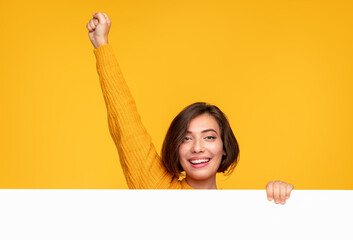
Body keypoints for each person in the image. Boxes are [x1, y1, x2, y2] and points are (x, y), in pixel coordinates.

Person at [86, 12, 294, 204]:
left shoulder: (244, 208)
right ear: (175, 149)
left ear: (224, 148)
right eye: (186, 138)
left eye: (209, 137)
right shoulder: (160, 192)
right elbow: (126, 125)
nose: (197, 147)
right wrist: (101, 44)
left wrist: (283, 202)